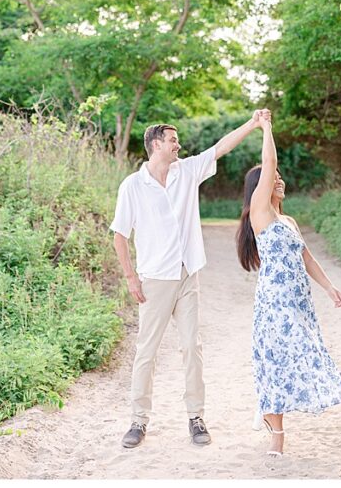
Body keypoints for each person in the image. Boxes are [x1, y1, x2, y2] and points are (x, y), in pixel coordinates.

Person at [111, 110, 270, 448]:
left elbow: (220, 147)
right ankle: (138, 422)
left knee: (192, 348)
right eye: (172, 140)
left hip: (187, 274)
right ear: (156, 144)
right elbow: (120, 236)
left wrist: (254, 123)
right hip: (153, 278)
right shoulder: (133, 186)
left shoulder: (187, 172)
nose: (178, 144)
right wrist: (130, 278)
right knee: (147, 352)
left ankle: (196, 418)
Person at [237, 111, 341, 458]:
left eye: (280, 177)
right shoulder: (260, 214)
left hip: (299, 301)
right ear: (261, 186)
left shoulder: (287, 219)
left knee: (299, 356)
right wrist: (265, 125)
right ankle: (277, 434)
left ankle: (271, 415)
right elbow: (269, 160)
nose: (279, 180)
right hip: (275, 303)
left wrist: (330, 288)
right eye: (274, 178)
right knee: (275, 361)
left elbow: (307, 258)